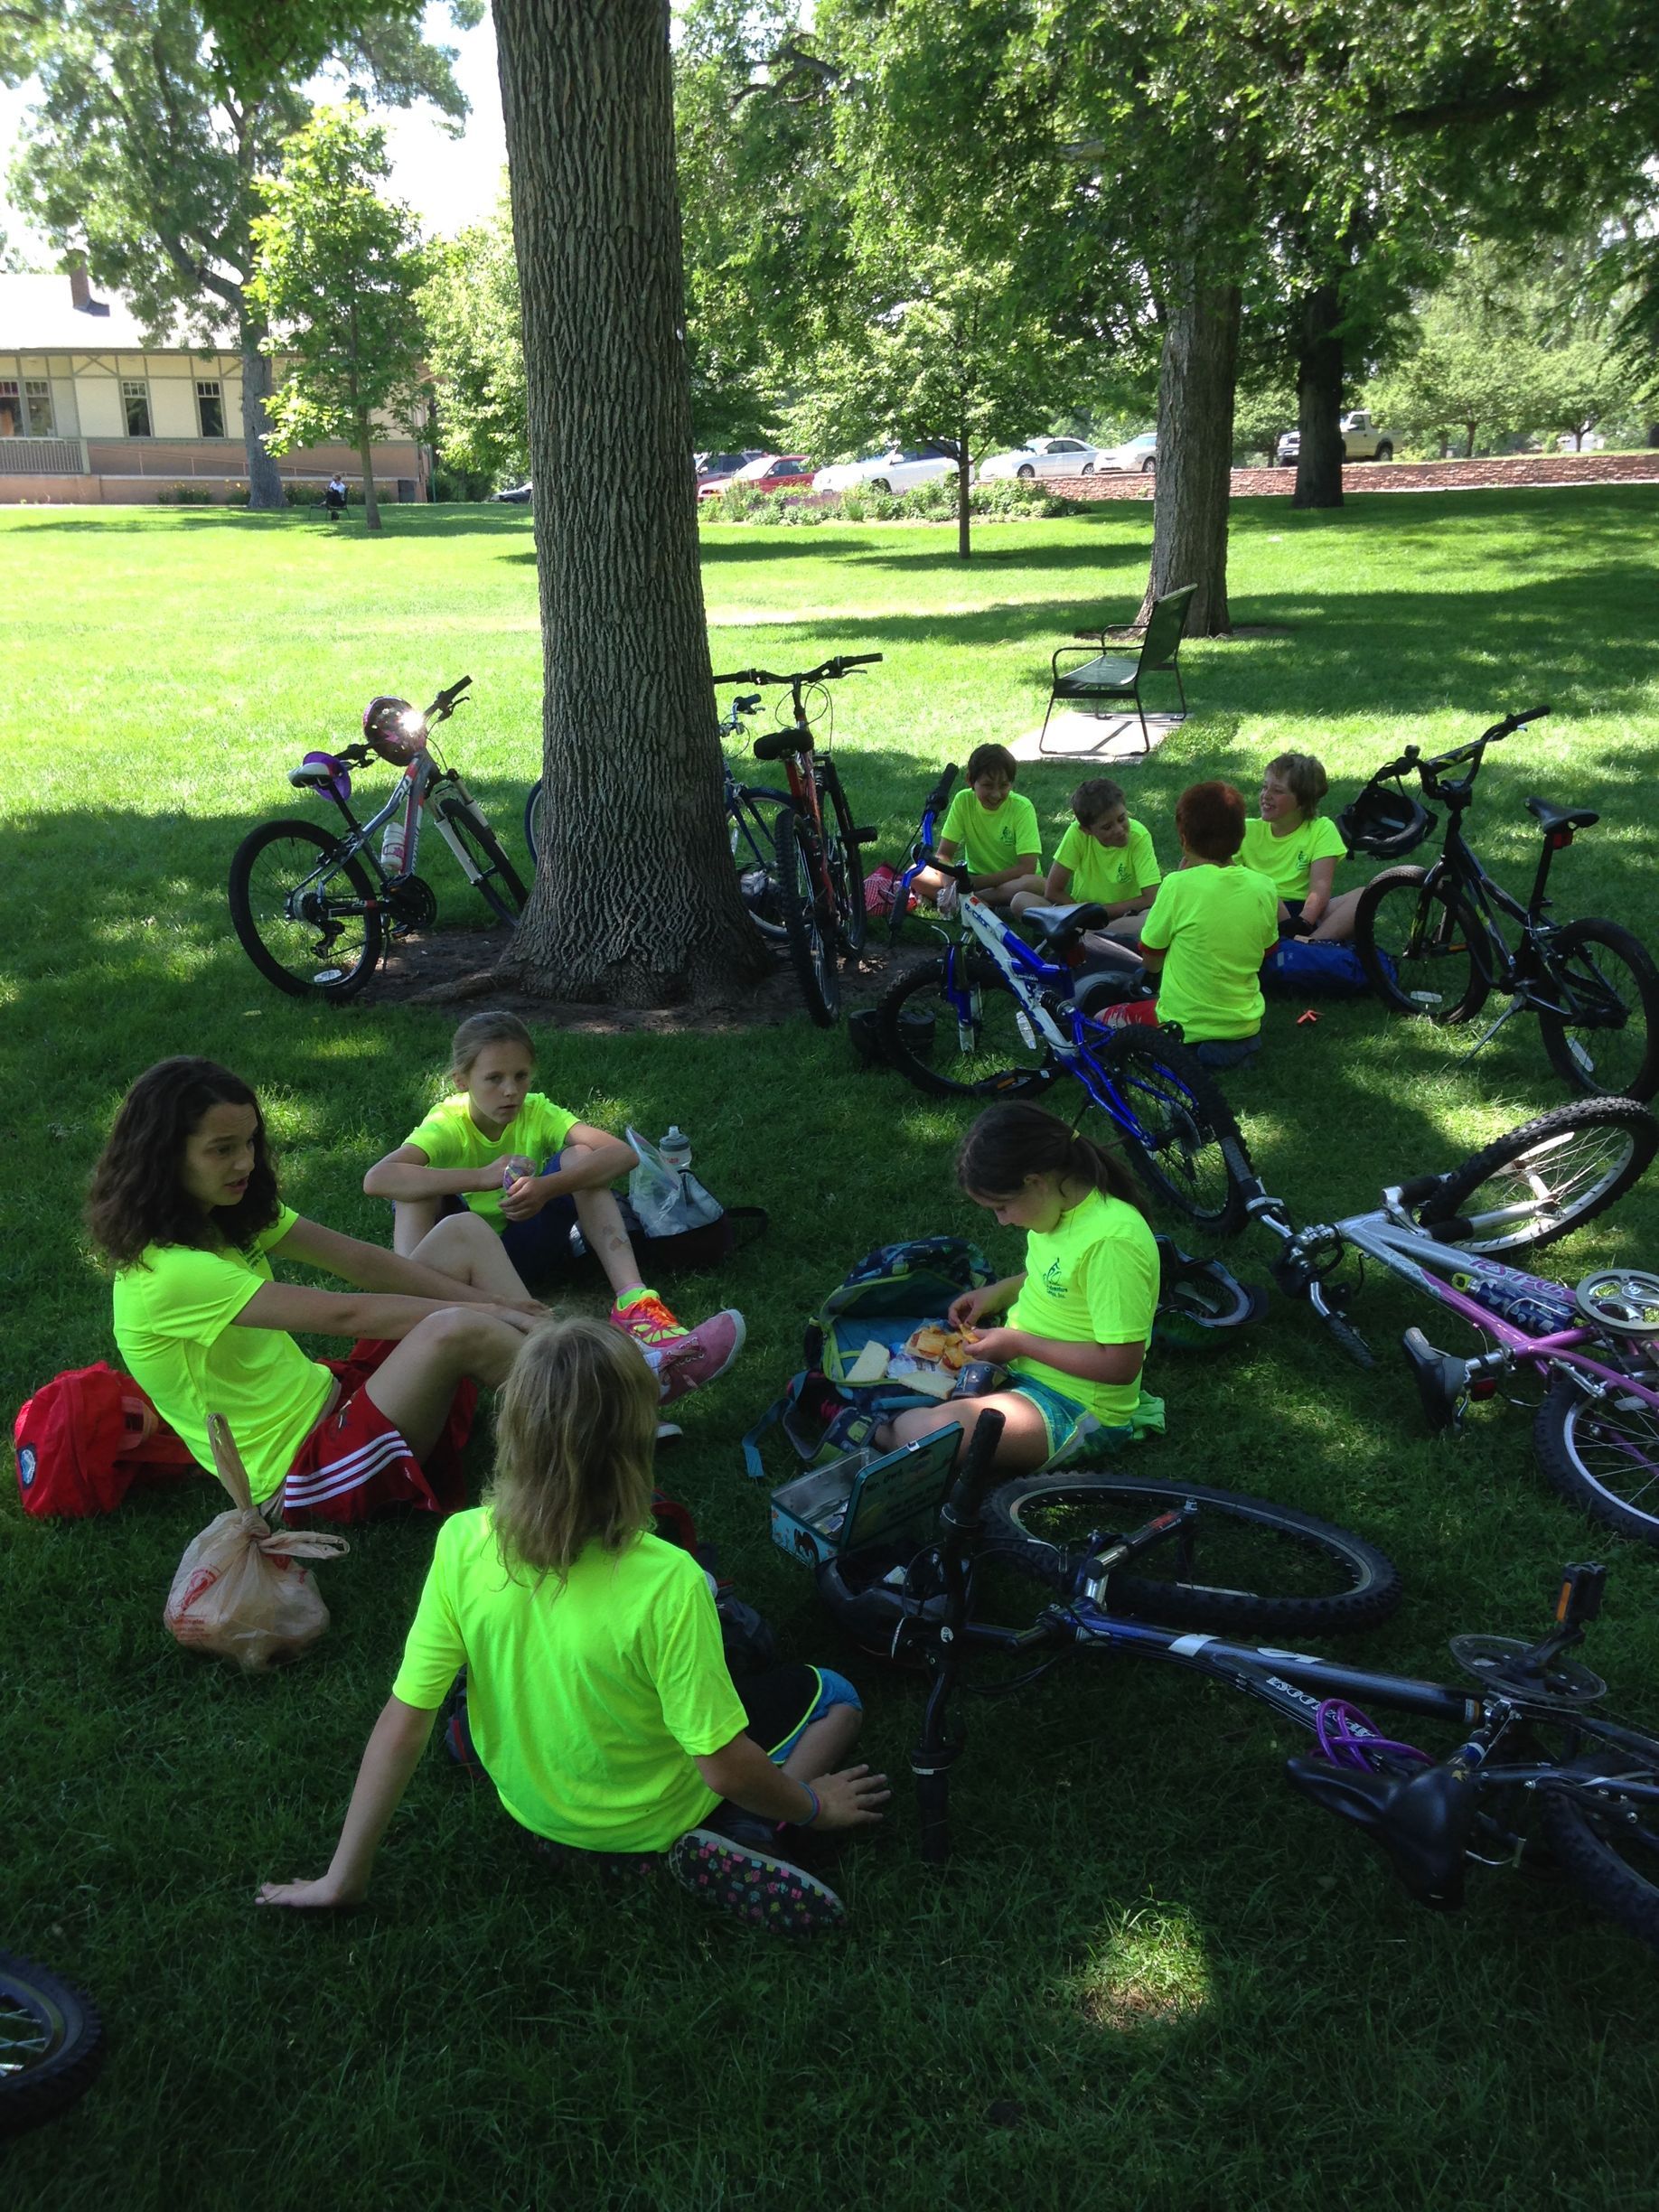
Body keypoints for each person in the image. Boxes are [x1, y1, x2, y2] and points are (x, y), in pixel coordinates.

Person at [257, 1317, 889, 1935]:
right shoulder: (668, 1580)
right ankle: (753, 1828)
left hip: (537, 1812)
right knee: (835, 1696)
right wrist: (817, 1807)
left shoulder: (462, 1540)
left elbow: (404, 1719)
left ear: (512, 1427)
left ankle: (679, 1830)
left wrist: (342, 1875)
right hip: (655, 1817)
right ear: (636, 1438)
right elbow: (721, 1766)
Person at [90, 1058, 543, 1524]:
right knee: (455, 1328)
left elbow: (360, 1262)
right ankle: (579, 1403)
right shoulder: (169, 1272)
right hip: (301, 1475)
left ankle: (555, 1352)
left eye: (249, 1142)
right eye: (222, 1150)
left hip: (335, 1398)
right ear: (164, 1157)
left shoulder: (224, 1213)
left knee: (461, 1233)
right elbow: (344, 1315)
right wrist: (488, 1311)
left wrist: (499, 1305)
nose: (245, 1162)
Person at [363, 1011, 744, 1402]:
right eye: (494, 1079)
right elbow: (377, 1179)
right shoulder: (447, 1123)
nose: (510, 1091)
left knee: (581, 1158)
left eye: (521, 1076)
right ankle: (414, 1302)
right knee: (414, 1189)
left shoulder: (536, 1111)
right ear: (462, 1081)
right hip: (456, 1269)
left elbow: (621, 1155)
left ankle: (634, 1303)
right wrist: (480, 1177)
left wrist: (546, 1188)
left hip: (522, 1248)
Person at [878, 1101, 1162, 1476]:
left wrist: (1019, 1344)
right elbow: (1052, 1278)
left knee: (924, 1434)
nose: (1002, 1222)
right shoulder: (1058, 1210)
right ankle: (886, 1423)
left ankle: (876, 1430)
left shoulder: (1111, 1243)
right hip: (1016, 1369)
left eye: (1002, 1207)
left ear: (1034, 1182)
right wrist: (996, 1293)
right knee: (900, 1359)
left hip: (1073, 1405)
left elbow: (1121, 1365)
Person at [1138, 781, 1280, 1071]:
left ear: (1184, 838)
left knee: (1105, 1017)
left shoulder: (1176, 885)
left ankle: (1200, 1054)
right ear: (1241, 835)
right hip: (1245, 1029)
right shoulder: (1264, 887)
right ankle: (1230, 1053)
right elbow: (1267, 951)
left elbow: (1151, 957)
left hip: (1184, 1030)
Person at [1012, 775, 1162, 970]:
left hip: (1122, 918)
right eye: (1107, 827)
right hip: (1078, 914)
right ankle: (1091, 940)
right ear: (1086, 830)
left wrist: (1098, 913)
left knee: (1150, 920)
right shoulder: (1076, 834)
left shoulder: (1138, 836)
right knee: (1020, 900)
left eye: (1122, 819)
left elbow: (1151, 897)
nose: (1119, 829)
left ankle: (1084, 938)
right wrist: (1080, 915)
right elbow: (1053, 890)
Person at [911, 742, 1045, 913]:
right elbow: (944, 855)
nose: (996, 794)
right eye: (988, 785)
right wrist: (950, 884)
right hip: (972, 878)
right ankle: (974, 902)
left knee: (1036, 884)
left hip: (1012, 882)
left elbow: (1027, 867)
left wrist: (976, 884)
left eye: (1004, 785)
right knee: (916, 871)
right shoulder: (963, 800)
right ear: (970, 781)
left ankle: (968, 901)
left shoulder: (1022, 807)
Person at [1240, 752, 1360, 940]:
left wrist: (1304, 921)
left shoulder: (1321, 829)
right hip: (1260, 907)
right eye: (1264, 787)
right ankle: (1304, 947)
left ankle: (1308, 943)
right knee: (1260, 893)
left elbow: (1320, 888)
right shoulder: (1244, 830)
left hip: (1306, 912)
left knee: (1362, 897)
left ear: (1302, 801)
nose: (1266, 795)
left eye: (1277, 791)